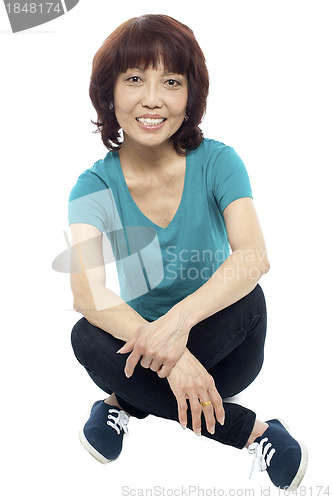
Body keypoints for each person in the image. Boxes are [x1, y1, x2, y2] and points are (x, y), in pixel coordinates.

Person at [68, 14, 308, 491]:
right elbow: (87, 293)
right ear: (109, 93)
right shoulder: (92, 186)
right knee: (85, 336)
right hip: (144, 352)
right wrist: (173, 358)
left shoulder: (219, 161)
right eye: (134, 78)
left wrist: (179, 326)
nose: (152, 98)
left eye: (171, 82)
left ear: (190, 96)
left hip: (226, 347)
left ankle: (126, 403)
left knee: (251, 297)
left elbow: (253, 256)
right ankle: (257, 432)